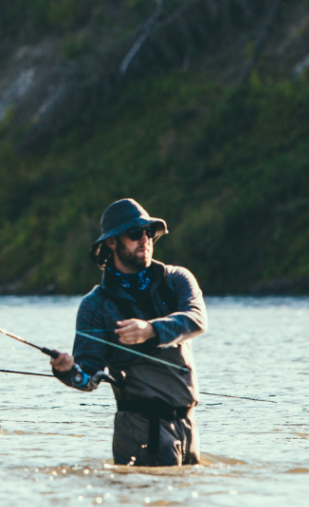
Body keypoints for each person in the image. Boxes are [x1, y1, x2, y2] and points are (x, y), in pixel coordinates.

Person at [50, 198, 207, 467]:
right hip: (140, 429)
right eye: (135, 233)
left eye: (149, 232)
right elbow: (88, 377)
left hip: (188, 424)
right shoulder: (95, 306)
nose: (145, 239)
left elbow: (196, 320)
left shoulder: (177, 279)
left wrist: (151, 330)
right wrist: (66, 371)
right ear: (111, 242)